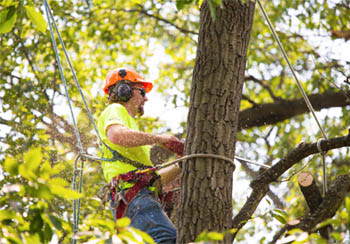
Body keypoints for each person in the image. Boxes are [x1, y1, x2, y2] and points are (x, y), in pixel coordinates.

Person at [97, 67, 182, 243]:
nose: (146, 97)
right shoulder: (115, 110)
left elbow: (150, 179)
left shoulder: (131, 127)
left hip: (135, 197)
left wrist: (181, 165)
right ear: (124, 90)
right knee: (166, 238)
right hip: (134, 196)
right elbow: (116, 135)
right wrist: (161, 139)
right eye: (141, 91)